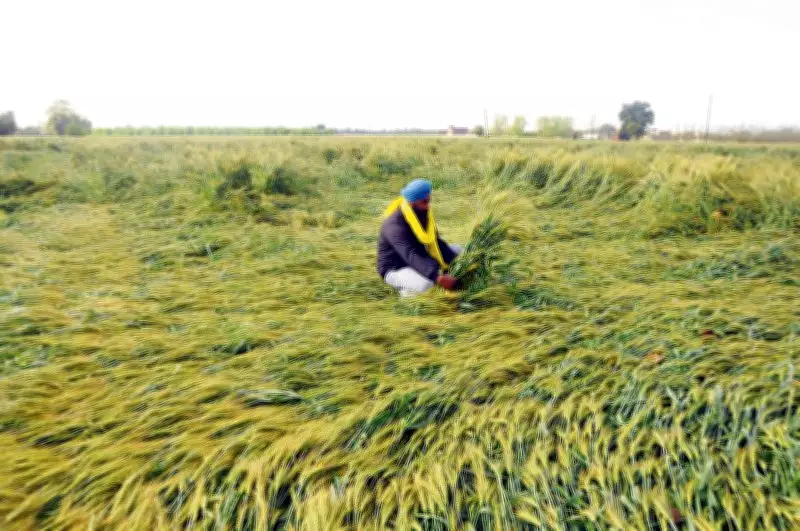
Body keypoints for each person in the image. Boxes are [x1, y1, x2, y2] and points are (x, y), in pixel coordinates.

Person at [377, 179, 460, 296]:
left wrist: (455, 260)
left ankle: (418, 281)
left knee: (460, 251)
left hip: (420, 256)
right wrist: (436, 277)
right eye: (425, 202)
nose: (428, 206)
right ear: (412, 203)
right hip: (396, 267)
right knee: (427, 285)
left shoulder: (422, 214)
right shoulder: (394, 225)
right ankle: (406, 292)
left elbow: (436, 242)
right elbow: (410, 254)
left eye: (429, 200)